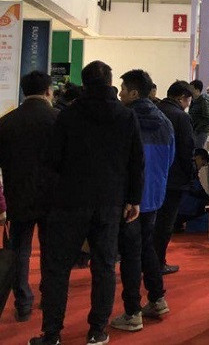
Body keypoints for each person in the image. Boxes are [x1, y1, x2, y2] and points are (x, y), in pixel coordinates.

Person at [31, 61, 144, 345]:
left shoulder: (69, 115)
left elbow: (52, 159)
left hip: (70, 200)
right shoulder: (125, 115)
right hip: (110, 201)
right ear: (110, 83)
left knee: (57, 267)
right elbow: (136, 161)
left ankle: (52, 333)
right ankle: (97, 330)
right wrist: (134, 199)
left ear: (84, 82)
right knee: (104, 267)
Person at [110, 70, 175, 332]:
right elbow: (170, 159)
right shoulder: (164, 121)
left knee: (130, 254)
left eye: (123, 89)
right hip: (155, 196)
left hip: (130, 198)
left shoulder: (124, 120)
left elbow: (118, 161)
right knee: (147, 247)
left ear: (134, 92)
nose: (120, 93)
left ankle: (132, 312)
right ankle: (157, 299)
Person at [0, 71, 59, 322]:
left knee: (19, 251)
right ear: (48, 91)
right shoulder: (59, 119)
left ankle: (23, 302)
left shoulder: (7, 122)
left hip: (18, 195)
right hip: (53, 197)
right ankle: (49, 297)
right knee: (51, 250)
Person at [155, 80, 195, 275]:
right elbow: (187, 149)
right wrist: (191, 174)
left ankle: (147, 261)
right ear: (182, 98)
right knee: (165, 223)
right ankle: (158, 263)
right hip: (174, 178)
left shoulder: (156, 110)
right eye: (188, 101)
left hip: (154, 176)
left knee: (152, 222)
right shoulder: (181, 117)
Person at [189, 80, 209, 149]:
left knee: (197, 150)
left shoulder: (204, 100)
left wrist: (197, 128)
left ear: (197, 90)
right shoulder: (194, 100)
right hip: (195, 130)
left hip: (201, 131)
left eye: (191, 89)